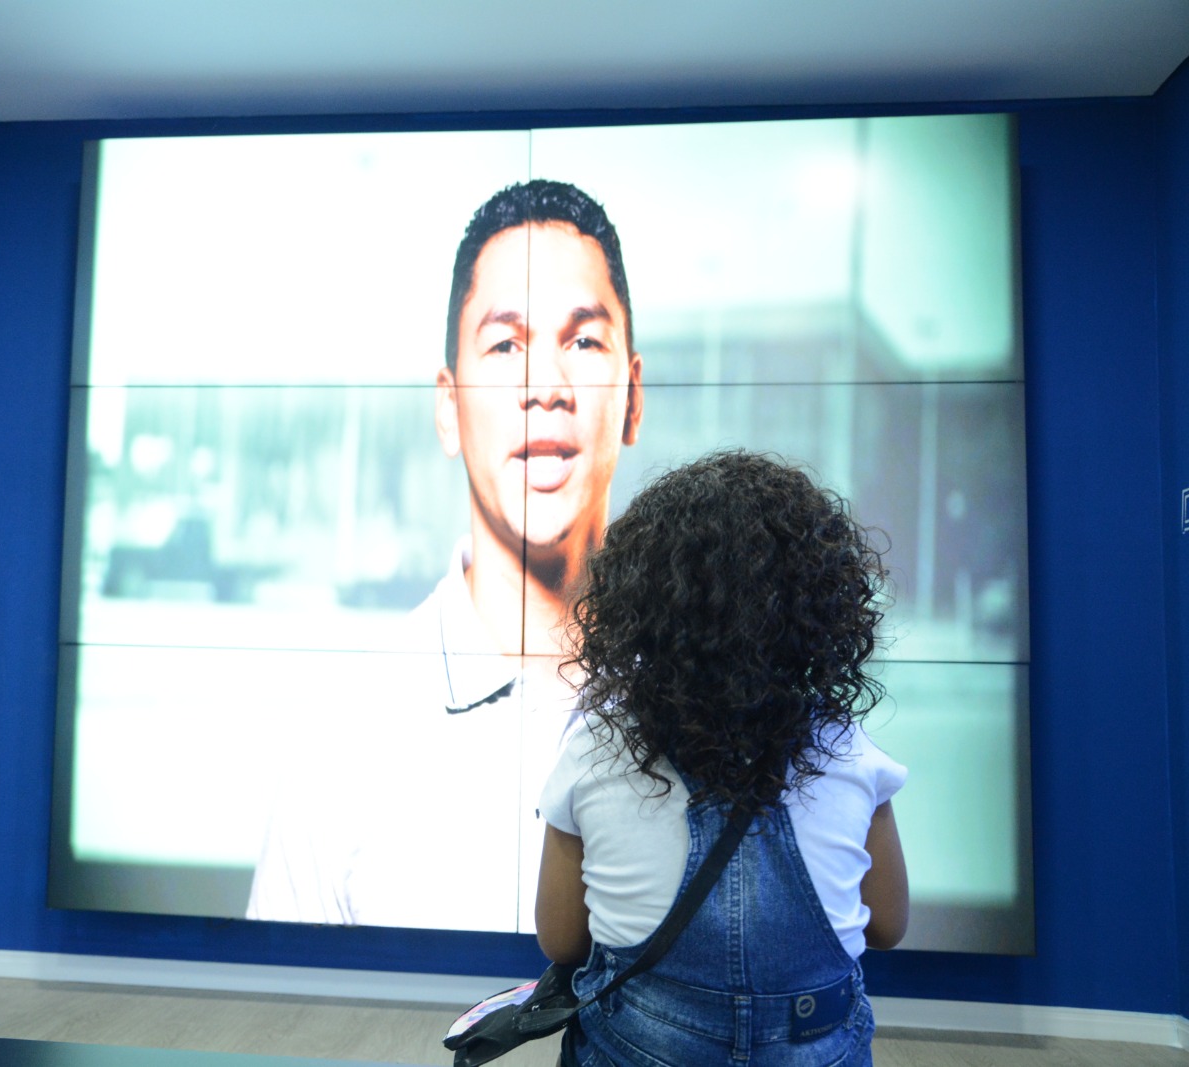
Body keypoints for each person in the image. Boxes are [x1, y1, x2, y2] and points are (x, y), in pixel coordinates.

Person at [245, 179, 643, 931]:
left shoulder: (720, 706)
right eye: (505, 345)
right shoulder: (342, 740)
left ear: (634, 395)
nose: (545, 387)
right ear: (448, 406)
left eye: (583, 341)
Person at [536, 449, 908, 1066]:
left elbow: (560, 938)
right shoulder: (849, 752)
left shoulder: (594, 750)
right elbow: (888, 926)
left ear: (638, 608)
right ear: (818, 607)